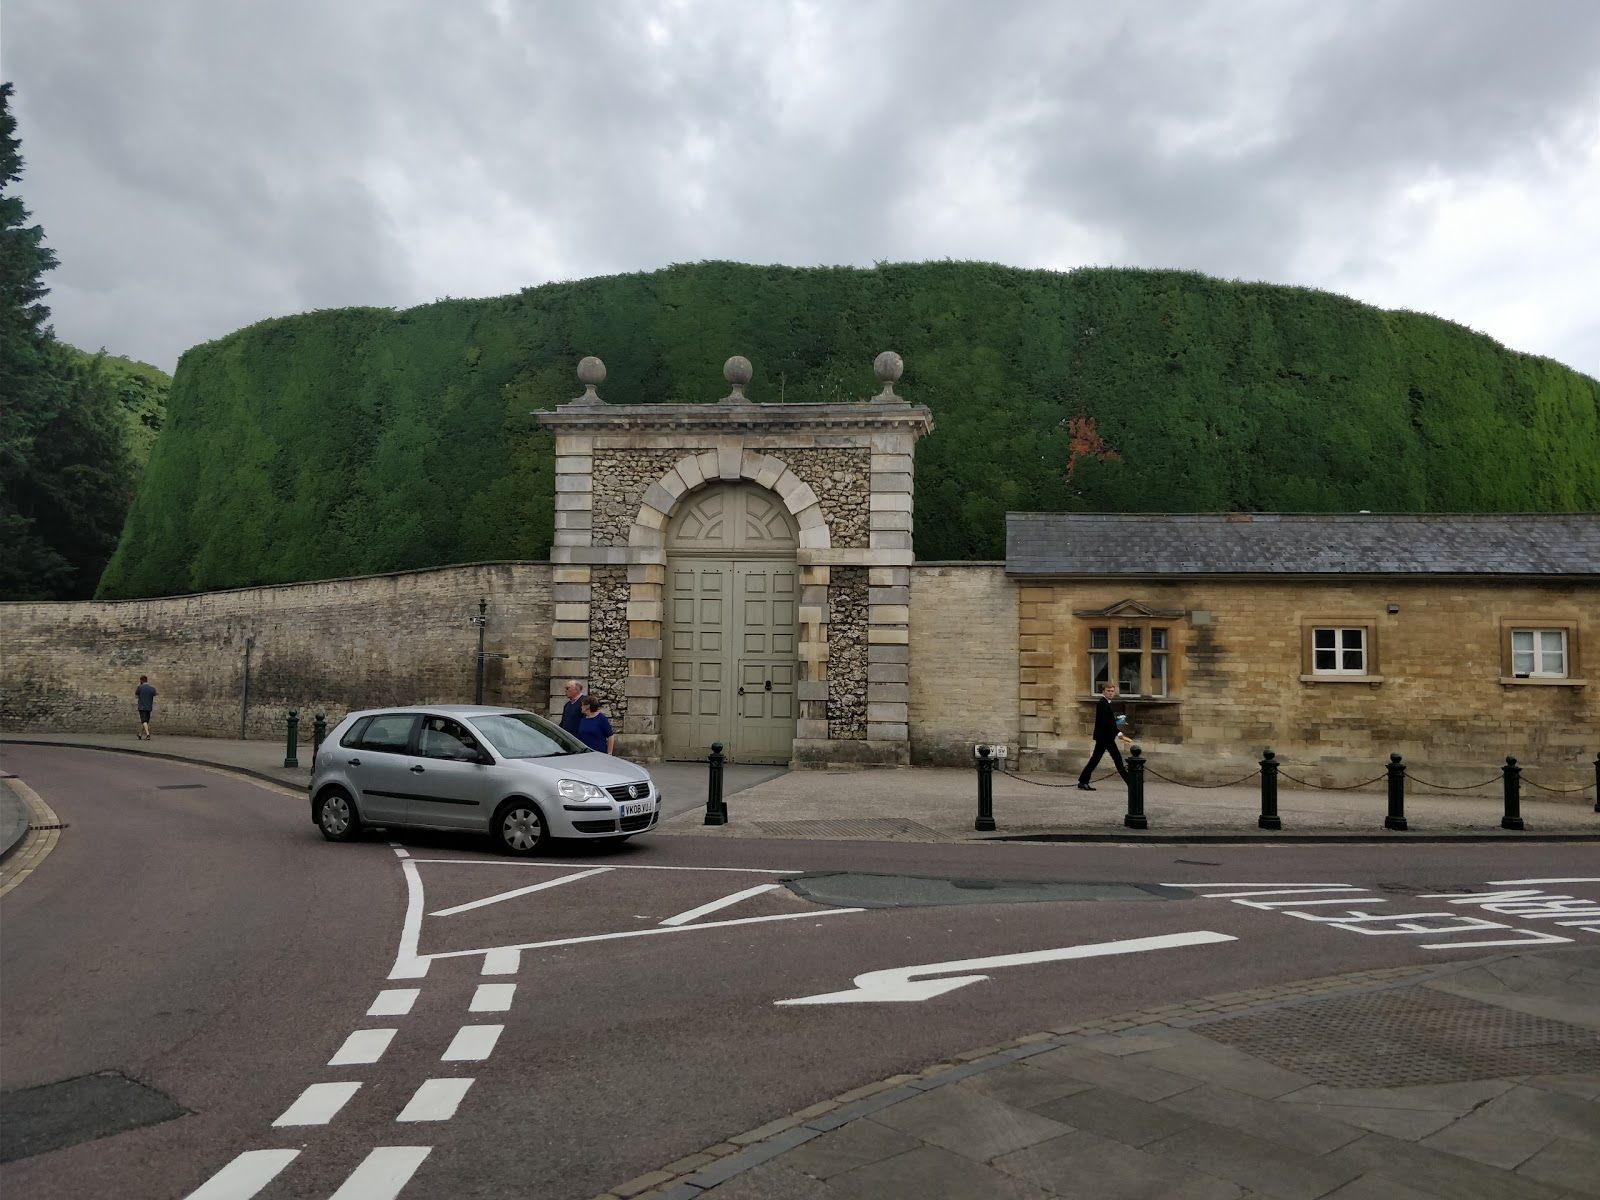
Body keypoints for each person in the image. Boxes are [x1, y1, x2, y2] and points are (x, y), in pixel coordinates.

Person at [1077, 681, 1128, 789]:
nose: (1110, 693)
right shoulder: (1102, 703)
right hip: (1105, 738)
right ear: (1103, 692)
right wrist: (1118, 732)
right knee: (1117, 760)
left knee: (1096, 759)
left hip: (1105, 737)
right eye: (1108, 691)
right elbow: (1106, 722)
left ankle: (1083, 781)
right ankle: (1131, 783)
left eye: (1112, 691)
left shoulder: (1106, 704)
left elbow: (1109, 721)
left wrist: (1116, 726)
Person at [135, 675, 158, 740]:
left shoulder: (140, 687)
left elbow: (136, 695)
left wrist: (138, 686)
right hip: (149, 707)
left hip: (142, 707)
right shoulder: (152, 688)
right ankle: (140, 734)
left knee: (144, 721)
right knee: (146, 722)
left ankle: (148, 734)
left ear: (141, 681)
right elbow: (155, 694)